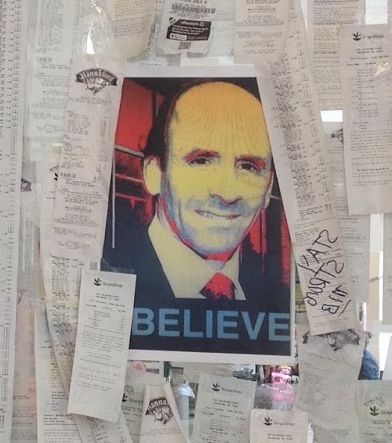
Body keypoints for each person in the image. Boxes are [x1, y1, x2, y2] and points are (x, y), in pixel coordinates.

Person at [102, 77, 292, 358]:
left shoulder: (276, 296)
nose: (227, 193)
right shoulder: (106, 282)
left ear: (267, 190)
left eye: (249, 166)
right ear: (155, 173)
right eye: (201, 160)